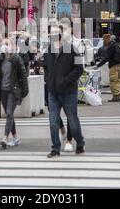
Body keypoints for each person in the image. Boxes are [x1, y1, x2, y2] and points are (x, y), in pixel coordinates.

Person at [43, 25, 85, 158]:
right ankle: (55, 148)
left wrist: (67, 80)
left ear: (62, 33)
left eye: (57, 32)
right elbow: (45, 68)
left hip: (68, 92)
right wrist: (48, 81)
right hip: (53, 92)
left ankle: (80, 142)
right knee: (53, 121)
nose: (54, 35)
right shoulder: (48, 50)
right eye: (52, 33)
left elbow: (79, 68)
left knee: (73, 121)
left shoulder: (72, 49)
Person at [0, 37, 29, 149]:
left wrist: (24, 91)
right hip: (2, 90)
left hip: (13, 91)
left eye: (7, 44)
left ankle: (4, 137)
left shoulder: (16, 59)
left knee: (9, 113)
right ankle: (15, 138)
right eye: (3, 44)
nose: (5, 46)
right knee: (10, 115)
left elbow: (23, 75)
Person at [95, 35, 120, 102]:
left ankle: (116, 96)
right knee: (118, 80)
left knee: (113, 80)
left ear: (107, 39)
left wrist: (98, 65)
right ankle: (117, 95)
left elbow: (107, 57)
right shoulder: (118, 45)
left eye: (104, 40)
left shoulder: (111, 46)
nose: (103, 41)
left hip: (114, 65)